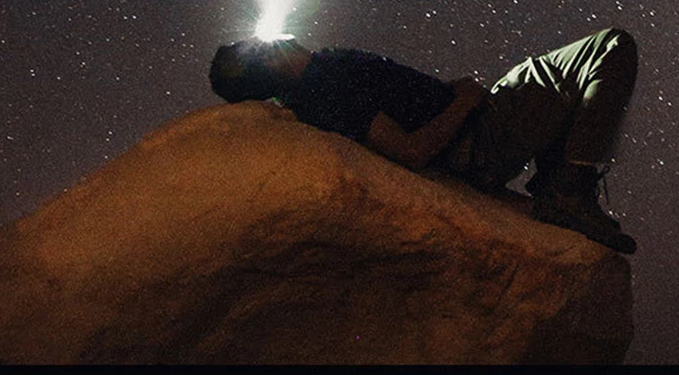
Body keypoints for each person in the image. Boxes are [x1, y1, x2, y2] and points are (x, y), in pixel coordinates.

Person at [209, 27, 638, 254]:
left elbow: (402, 102)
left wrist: (452, 93)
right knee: (611, 48)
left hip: (476, 117)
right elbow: (408, 151)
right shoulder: (325, 89)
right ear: (267, 59)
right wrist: (462, 103)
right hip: (478, 138)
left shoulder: (325, 72)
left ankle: (557, 183)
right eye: (257, 43)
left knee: (562, 75)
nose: (272, 35)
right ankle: (567, 192)